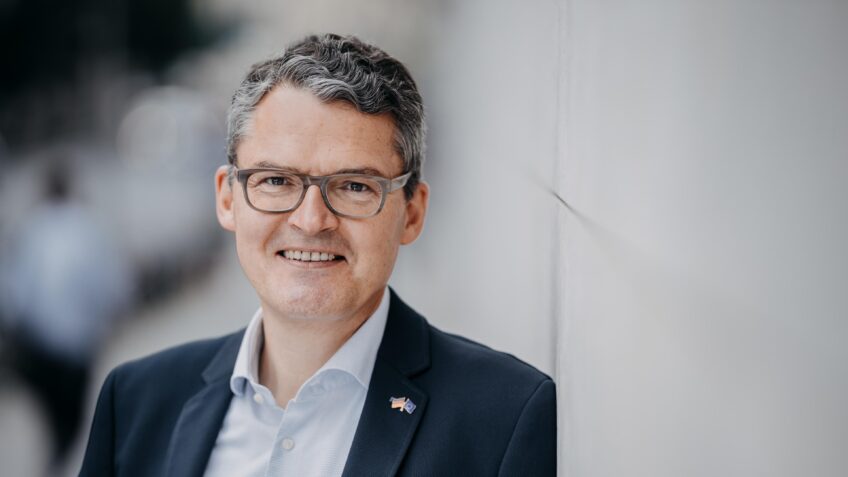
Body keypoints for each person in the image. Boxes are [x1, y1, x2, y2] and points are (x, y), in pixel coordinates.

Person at [80, 33, 556, 476]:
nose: (311, 221)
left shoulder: (505, 415)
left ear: (412, 212)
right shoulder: (136, 400)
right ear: (228, 199)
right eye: (276, 181)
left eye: (353, 186)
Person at [2, 161, 132, 475]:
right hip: (78, 346)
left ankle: (55, 462)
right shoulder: (89, 226)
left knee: (53, 418)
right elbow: (113, 283)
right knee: (73, 418)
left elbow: (15, 291)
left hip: (40, 345)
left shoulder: (31, 228)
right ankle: (59, 463)